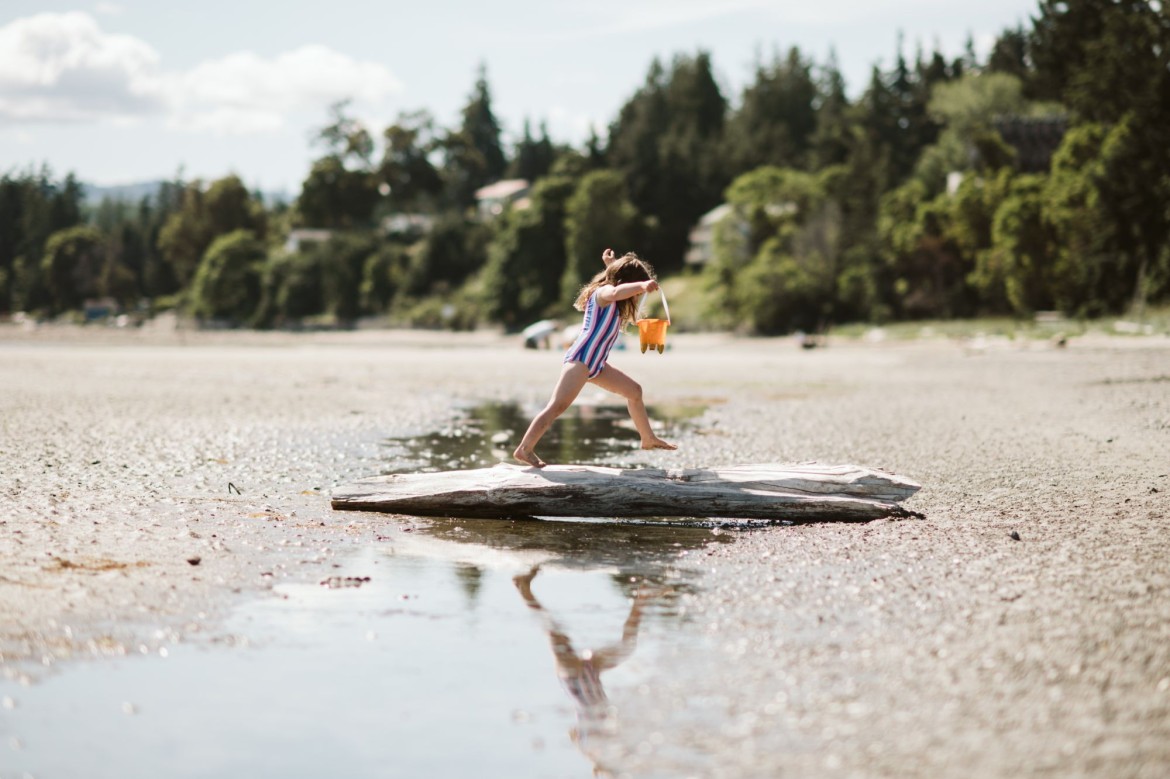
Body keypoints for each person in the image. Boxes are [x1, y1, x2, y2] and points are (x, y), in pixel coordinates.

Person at [513, 248, 677, 468]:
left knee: (634, 392)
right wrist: (641, 285)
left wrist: (611, 264)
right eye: (635, 290)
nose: (637, 296)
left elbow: (617, 286)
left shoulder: (612, 293)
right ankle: (524, 449)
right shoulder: (604, 293)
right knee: (557, 406)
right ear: (627, 282)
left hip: (596, 364)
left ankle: (647, 438)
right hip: (581, 359)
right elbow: (615, 291)